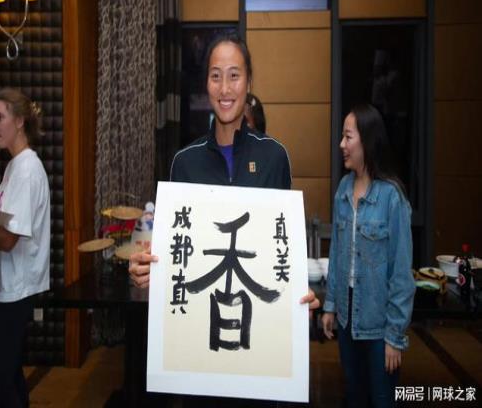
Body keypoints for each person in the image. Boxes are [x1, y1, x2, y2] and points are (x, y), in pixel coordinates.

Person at [130, 33, 319, 311]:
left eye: (234, 76)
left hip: (258, 317)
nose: (225, 88)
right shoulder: (185, 162)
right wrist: (146, 268)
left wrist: (300, 296)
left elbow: (282, 247)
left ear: (249, 82)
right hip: (202, 316)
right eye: (216, 76)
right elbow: (176, 251)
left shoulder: (274, 157)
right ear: (206, 83)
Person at [321, 104, 415, 408]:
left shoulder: (391, 198)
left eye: (348, 137)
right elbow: (337, 254)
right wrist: (330, 306)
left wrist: (394, 336)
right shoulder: (343, 189)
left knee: (382, 400)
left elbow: (401, 273)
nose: (341, 144)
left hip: (379, 325)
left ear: (368, 141)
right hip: (347, 319)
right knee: (354, 397)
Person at [0, 88, 50, 407]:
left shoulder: (28, 170)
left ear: (20, 121)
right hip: (5, 287)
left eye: (0, 118)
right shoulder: (14, 167)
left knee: (0, 381)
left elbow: (9, 239)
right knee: (8, 376)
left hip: (18, 289)